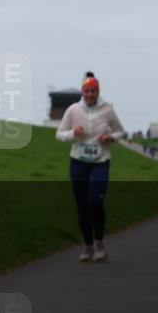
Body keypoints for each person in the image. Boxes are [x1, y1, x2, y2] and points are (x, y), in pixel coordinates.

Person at [56, 72, 126, 262]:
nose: (89, 94)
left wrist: (110, 137)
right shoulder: (73, 110)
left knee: (95, 201)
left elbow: (120, 131)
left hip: (100, 162)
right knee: (82, 205)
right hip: (78, 161)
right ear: (82, 91)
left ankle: (99, 243)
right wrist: (73, 133)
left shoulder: (107, 110)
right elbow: (59, 134)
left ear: (98, 92)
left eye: (93, 91)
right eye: (87, 91)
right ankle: (87, 246)